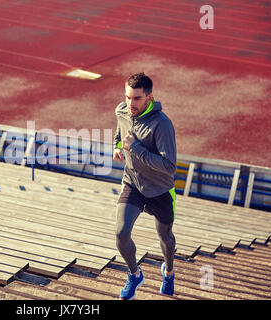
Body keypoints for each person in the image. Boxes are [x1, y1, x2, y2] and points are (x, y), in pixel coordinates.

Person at [113, 72, 177, 299]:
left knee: (166, 238)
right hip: (133, 183)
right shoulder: (122, 110)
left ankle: (168, 271)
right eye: (128, 97)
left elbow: (169, 166)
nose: (131, 104)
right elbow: (120, 131)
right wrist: (118, 146)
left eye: (137, 99)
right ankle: (134, 274)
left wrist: (135, 148)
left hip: (160, 190)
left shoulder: (162, 124)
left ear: (149, 98)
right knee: (121, 233)